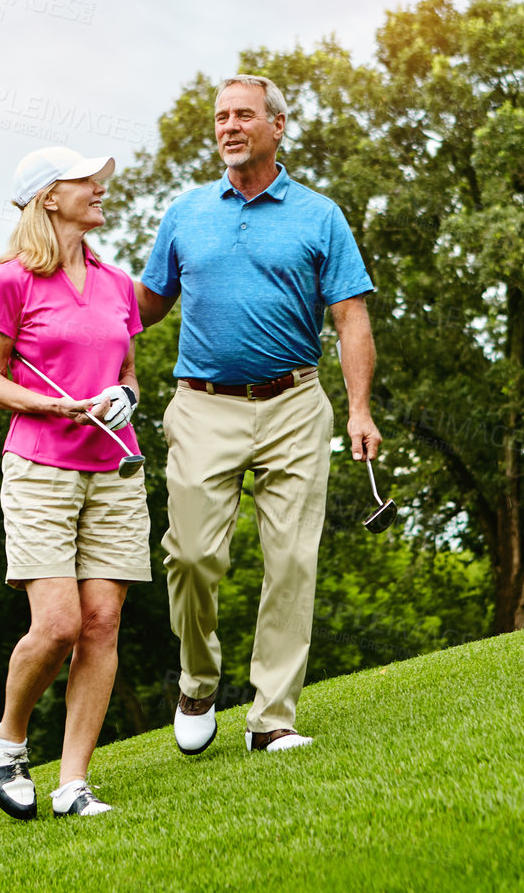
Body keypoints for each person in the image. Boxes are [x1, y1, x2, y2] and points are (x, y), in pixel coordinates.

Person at [136, 74, 379, 755]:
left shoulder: (320, 215)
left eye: (244, 115)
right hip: (203, 405)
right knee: (188, 556)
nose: (229, 127)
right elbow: (146, 307)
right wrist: (68, 306)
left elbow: (350, 318)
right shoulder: (186, 213)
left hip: (296, 405)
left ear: (278, 125)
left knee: (292, 562)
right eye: (221, 118)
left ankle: (271, 719)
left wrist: (359, 409)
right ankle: (198, 678)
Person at [0, 146, 148, 818]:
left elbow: (127, 372)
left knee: (101, 623)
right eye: (87, 182)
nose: (101, 189)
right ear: (49, 197)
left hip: (115, 466)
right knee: (58, 626)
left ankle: (74, 783)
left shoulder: (116, 283)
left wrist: (125, 399)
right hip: (42, 465)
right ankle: (10, 739)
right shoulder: (10, 281)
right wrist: (51, 404)